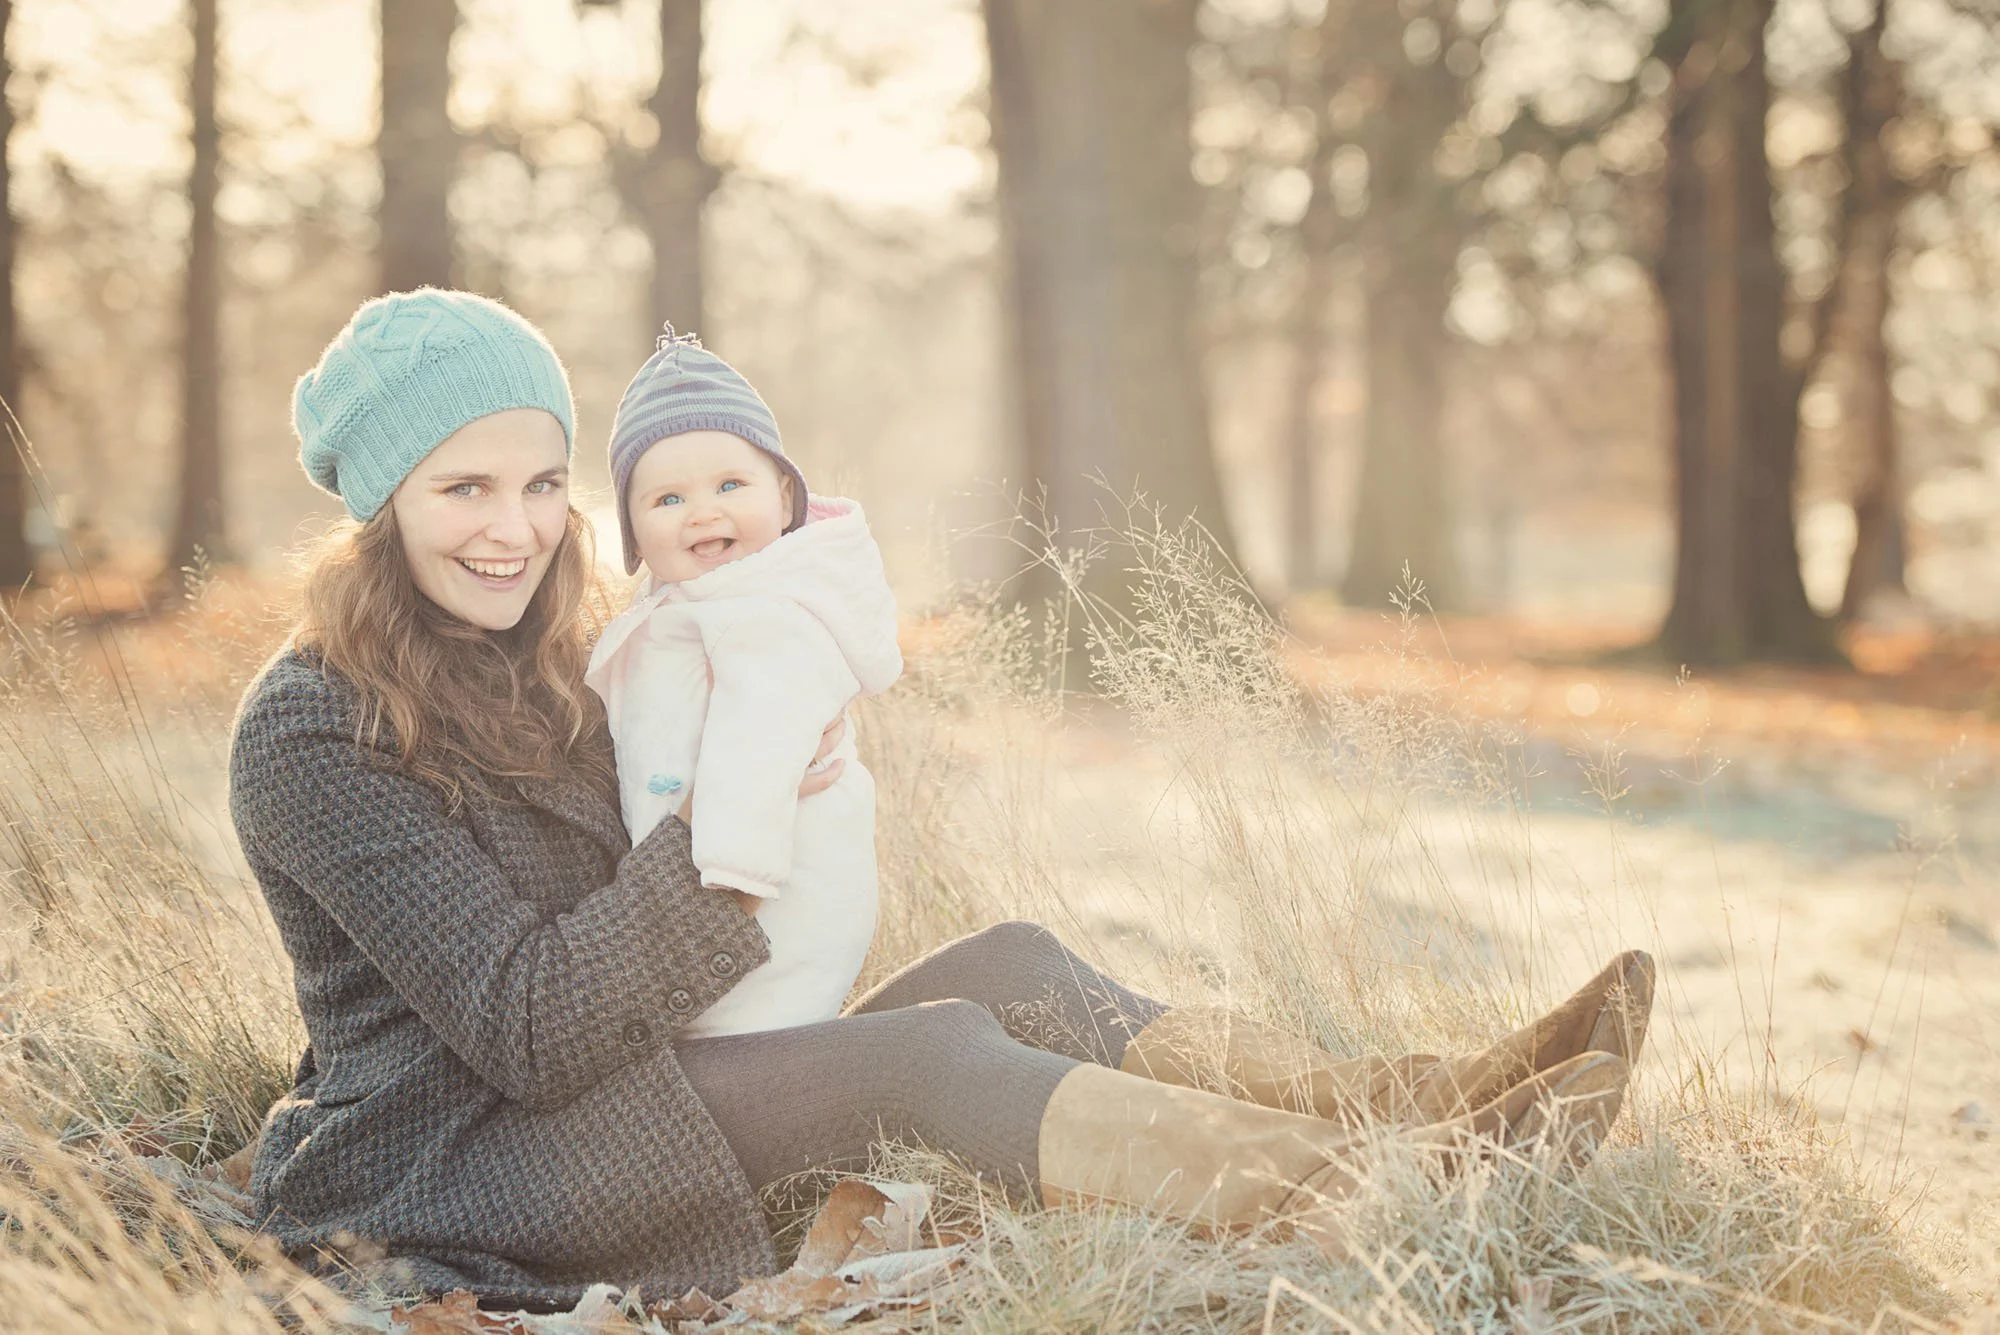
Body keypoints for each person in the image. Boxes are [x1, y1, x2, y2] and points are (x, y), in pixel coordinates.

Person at [231, 287, 1653, 1311]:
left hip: (633, 1066)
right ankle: (1395, 1184)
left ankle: (1432, 1095)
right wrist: (738, 839)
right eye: (461, 488)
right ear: (380, 507)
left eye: (542, 482)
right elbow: (530, 1026)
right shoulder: (309, 726)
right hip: (467, 1155)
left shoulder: (553, 656)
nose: (515, 526)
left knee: (1014, 959)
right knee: (927, 1051)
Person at [584, 328, 901, 1038]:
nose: (704, 511)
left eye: (731, 484)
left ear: (785, 495)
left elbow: (754, 755)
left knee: (751, 1024)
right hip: (703, 898)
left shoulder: (766, 616)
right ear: (632, 531)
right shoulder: (684, 605)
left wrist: (726, 890)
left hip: (760, 901)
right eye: (667, 498)